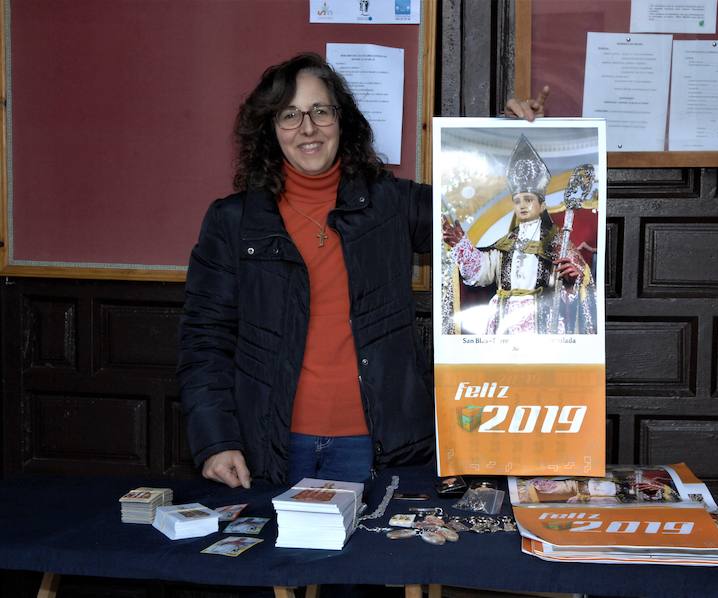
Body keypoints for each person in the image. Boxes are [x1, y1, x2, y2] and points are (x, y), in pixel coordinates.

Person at [177, 51, 547, 488]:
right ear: (270, 129)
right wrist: (216, 441)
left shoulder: (389, 203)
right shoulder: (233, 221)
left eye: (320, 111)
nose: (308, 128)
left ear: (342, 120)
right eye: (289, 115)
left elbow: (471, 214)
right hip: (270, 449)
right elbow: (204, 339)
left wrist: (505, 134)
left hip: (375, 447)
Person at [442, 135, 596, 335]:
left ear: (541, 204)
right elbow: (483, 273)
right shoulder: (507, 243)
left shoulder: (556, 241)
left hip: (540, 319)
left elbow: (577, 285)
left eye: (528, 199)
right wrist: (462, 247)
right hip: (503, 319)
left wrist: (571, 283)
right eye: (518, 200)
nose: (522, 205)